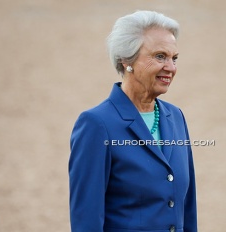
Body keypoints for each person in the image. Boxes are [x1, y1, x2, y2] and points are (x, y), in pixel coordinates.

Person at [69, 10, 197, 232]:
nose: (171, 67)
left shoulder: (176, 117)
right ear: (127, 60)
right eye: (159, 56)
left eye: (174, 58)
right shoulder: (96, 125)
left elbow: (188, 209)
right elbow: (86, 221)